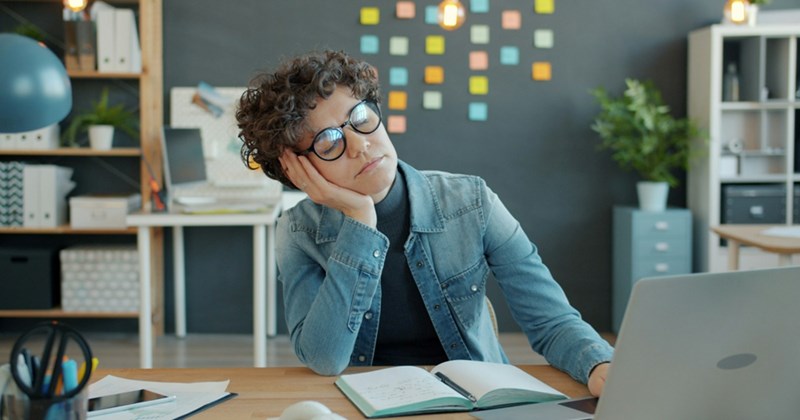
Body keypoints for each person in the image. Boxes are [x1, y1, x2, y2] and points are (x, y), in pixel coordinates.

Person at [236, 50, 613, 396]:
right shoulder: (298, 231)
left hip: (479, 401)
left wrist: (600, 365)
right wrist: (360, 221)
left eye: (360, 118)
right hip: (365, 403)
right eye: (329, 142)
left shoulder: (473, 202)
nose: (360, 146)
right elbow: (324, 359)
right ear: (298, 169)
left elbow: (552, 321)